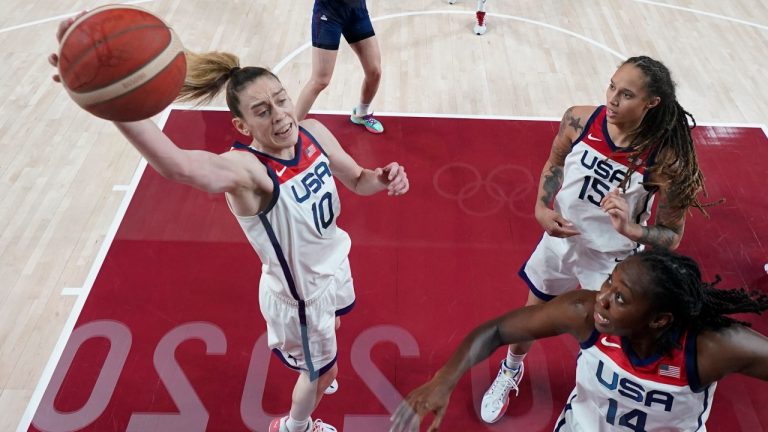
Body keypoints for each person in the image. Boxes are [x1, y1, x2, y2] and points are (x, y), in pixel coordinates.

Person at [49, 16, 409, 432]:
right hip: (301, 299)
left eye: (281, 99)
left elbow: (359, 179)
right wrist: (111, 102)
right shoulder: (247, 172)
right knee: (321, 374)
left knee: (334, 331)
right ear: (242, 126)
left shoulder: (313, 132)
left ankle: (317, 365)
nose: (279, 115)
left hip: (331, 270)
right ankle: (296, 426)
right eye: (262, 110)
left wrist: (381, 178)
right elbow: (177, 164)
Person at [480, 55, 713, 424]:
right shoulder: (580, 118)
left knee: (608, 342)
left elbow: (671, 236)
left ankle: (591, 404)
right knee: (531, 315)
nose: (613, 100)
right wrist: (542, 209)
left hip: (611, 261)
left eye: (626, 95)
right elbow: (554, 162)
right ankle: (511, 369)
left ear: (651, 103)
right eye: (611, 87)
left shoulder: (666, 158)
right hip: (561, 241)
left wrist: (633, 230)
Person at [390, 249, 768, 431]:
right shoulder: (585, 314)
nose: (602, 298)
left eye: (620, 298)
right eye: (609, 282)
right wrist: (445, 378)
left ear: (659, 319)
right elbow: (497, 330)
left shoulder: (712, 348)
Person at [295, 0, 384, 134]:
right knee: (320, 80)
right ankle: (289, 131)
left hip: (356, 11)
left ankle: (361, 114)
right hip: (328, 15)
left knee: (374, 71)